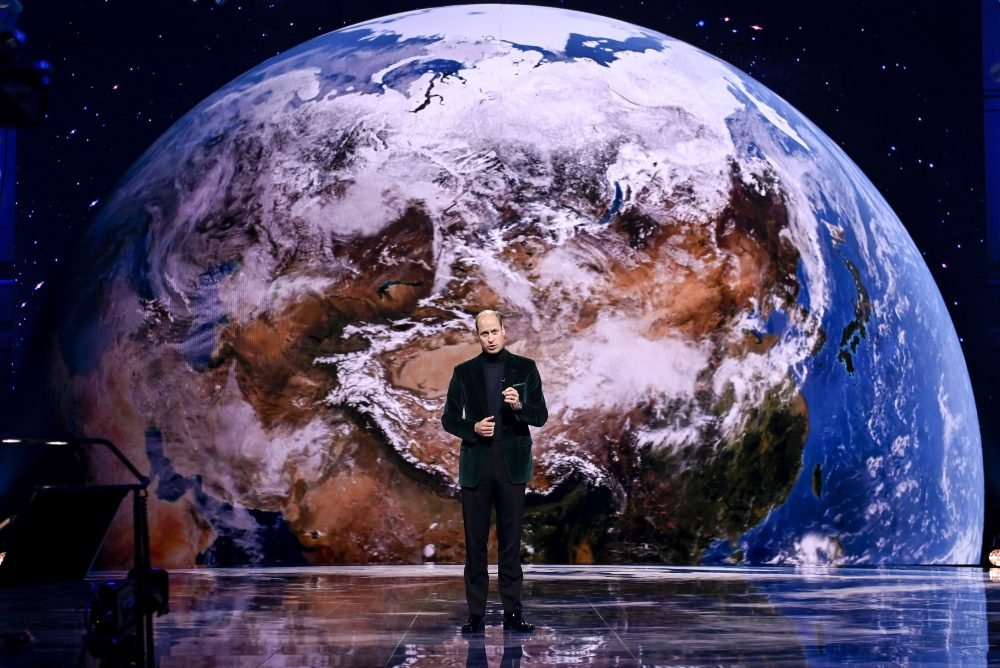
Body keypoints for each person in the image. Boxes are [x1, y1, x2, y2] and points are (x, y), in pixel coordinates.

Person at [441, 310, 548, 634]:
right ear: (478, 336)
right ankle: (476, 615)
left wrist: (519, 407)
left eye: (494, 332)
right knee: (475, 544)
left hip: (511, 464)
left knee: (510, 544)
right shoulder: (464, 372)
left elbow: (540, 416)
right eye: (483, 333)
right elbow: (448, 419)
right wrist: (472, 427)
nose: (489, 338)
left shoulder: (525, 368)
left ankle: (513, 614)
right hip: (477, 462)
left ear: (504, 332)